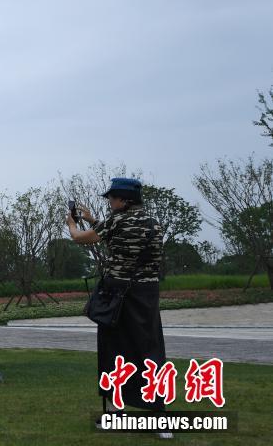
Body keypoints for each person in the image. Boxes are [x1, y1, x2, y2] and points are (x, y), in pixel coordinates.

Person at [66, 178, 170, 423]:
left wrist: (72, 225)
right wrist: (93, 220)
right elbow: (122, 236)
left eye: (112, 198)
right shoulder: (154, 223)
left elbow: (81, 238)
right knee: (150, 350)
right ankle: (159, 413)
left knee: (114, 352)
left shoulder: (117, 220)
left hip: (118, 293)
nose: (110, 202)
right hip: (147, 294)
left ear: (124, 200)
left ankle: (115, 412)